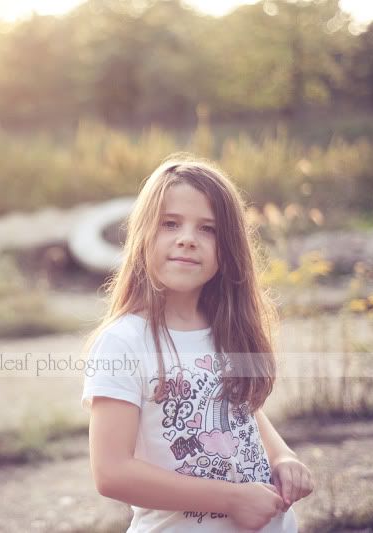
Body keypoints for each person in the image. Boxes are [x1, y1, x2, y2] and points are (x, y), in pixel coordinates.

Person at [81, 155, 313, 532]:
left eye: (208, 229)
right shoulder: (123, 343)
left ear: (228, 249)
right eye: (170, 224)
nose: (187, 238)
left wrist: (282, 457)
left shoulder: (226, 329)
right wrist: (232, 499)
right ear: (143, 235)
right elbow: (111, 472)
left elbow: (241, 408)